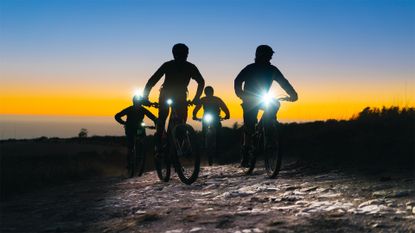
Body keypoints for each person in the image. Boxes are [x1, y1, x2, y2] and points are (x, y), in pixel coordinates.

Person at [234, 45, 298, 166]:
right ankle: (246, 154)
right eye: (268, 55)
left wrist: (293, 94)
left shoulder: (273, 69)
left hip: (263, 98)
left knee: (274, 103)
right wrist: (241, 94)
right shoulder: (250, 68)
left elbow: (284, 82)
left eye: (271, 55)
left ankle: (268, 124)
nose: (270, 57)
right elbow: (238, 81)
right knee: (249, 127)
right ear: (260, 55)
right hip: (249, 100)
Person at [142, 43, 205, 153]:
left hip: (171, 95)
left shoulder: (171, 65)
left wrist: (145, 97)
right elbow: (201, 82)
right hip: (173, 96)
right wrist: (196, 98)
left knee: (172, 120)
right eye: (181, 54)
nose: (183, 56)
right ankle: (159, 144)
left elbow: (152, 81)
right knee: (164, 119)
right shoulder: (187, 66)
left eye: (184, 54)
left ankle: (173, 145)